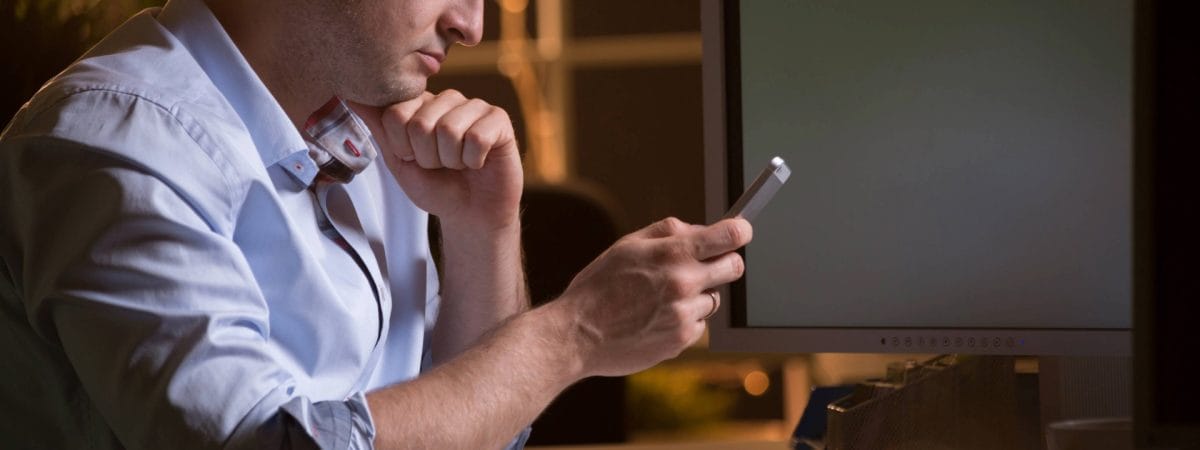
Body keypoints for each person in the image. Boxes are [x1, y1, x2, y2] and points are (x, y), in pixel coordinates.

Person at [0, 0, 752, 448]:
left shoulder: (365, 133)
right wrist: (572, 334)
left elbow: (463, 427)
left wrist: (482, 231)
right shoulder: (111, 146)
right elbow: (268, 445)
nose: (470, 25)